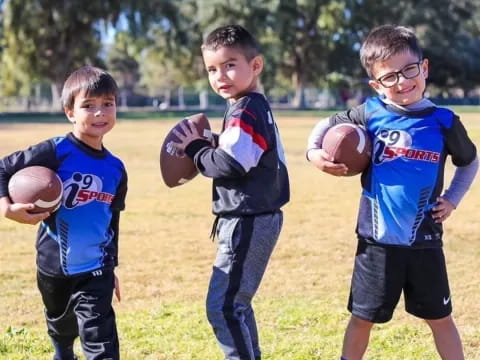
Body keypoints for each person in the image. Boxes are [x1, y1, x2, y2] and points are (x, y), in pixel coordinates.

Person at [306, 25, 478, 360]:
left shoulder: (443, 121)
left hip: (425, 241)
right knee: (362, 319)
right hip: (376, 242)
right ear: (376, 85)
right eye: (389, 77)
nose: (402, 82)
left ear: (424, 68)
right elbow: (326, 125)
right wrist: (315, 154)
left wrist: (453, 200)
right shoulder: (370, 113)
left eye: (409, 70)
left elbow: (470, 162)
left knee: (440, 319)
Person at [171, 24, 290, 360]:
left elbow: (231, 165)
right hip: (251, 217)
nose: (220, 75)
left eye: (230, 65)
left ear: (256, 65)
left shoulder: (246, 109)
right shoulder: (248, 105)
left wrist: (195, 149)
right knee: (236, 303)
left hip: (249, 219)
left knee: (222, 307)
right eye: (212, 69)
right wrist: (213, 143)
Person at [0, 65, 128, 360]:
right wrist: (7, 209)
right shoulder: (56, 151)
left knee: (101, 341)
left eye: (107, 105)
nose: (99, 113)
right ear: (70, 112)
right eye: (88, 106)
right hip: (53, 264)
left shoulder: (116, 168)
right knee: (60, 323)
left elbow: (113, 221)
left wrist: (112, 267)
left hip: (96, 268)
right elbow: (3, 169)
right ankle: (62, 352)